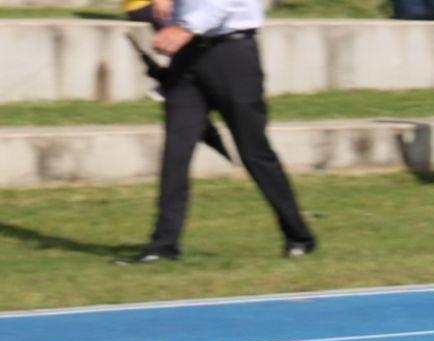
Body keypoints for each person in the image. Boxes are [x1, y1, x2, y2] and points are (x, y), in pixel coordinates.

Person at [118, 0, 314, 263]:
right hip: (187, 55)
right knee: (176, 152)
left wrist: (185, 28)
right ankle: (162, 245)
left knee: (254, 152)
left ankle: (299, 236)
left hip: (232, 53)